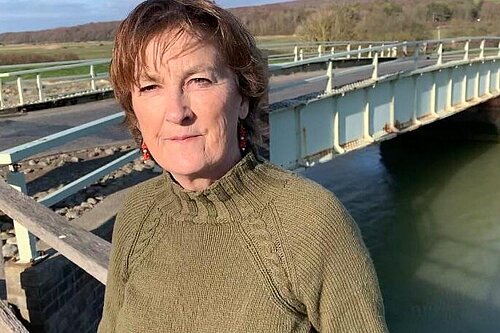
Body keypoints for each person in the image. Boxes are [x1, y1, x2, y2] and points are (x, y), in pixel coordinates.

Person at [98, 0, 388, 332]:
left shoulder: (310, 221)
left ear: (243, 98)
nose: (176, 112)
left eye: (200, 80)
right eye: (150, 87)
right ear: (134, 111)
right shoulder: (137, 212)